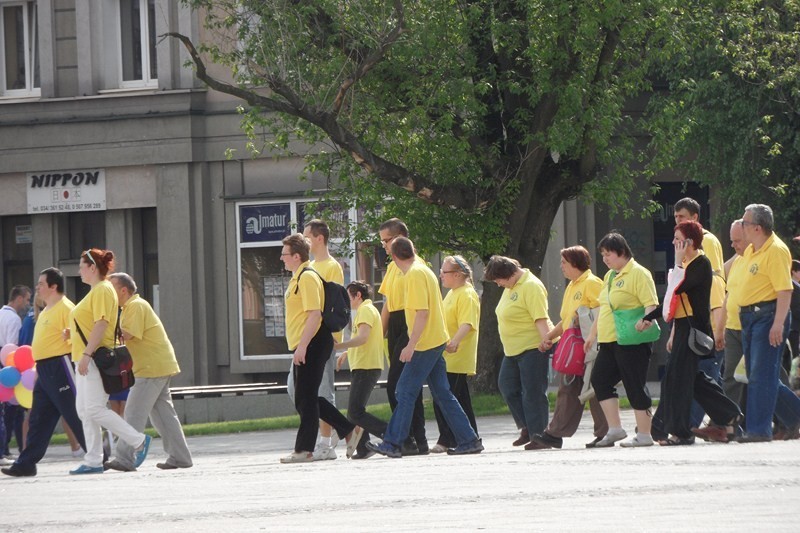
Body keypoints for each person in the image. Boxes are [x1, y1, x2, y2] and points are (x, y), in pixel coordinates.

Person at [366, 238, 482, 458]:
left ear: (393, 255)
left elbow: (422, 313)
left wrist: (411, 345)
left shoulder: (415, 274)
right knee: (442, 393)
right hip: (434, 339)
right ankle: (469, 440)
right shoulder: (423, 270)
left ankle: (393, 443)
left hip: (425, 343)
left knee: (404, 390)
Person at [279, 234, 362, 463]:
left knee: (305, 398)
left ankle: (304, 450)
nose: (281, 258)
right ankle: (348, 429)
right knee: (304, 397)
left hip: (314, 342)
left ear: (296, 256)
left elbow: (314, 315)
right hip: (307, 342)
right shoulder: (297, 277)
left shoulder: (307, 277)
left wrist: (302, 347)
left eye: (284, 254)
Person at [68, 249, 151, 474]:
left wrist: (86, 355)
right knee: (84, 410)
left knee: (93, 409)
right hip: (86, 357)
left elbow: (102, 323)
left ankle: (138, 441)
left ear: (92, 268)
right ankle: (94, 460)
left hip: (94, 358)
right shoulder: (96, 291)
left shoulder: (103, 290)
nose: (79, 270)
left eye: (81, 266)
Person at [658, 221, 741, 445]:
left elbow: (676, 290)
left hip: (694, 329)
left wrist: (676, 265)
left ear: (690, 242)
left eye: (678, 239)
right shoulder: (686, 264)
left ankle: (682, 432)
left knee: (681, 379)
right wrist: (650, 318)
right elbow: (672, 302)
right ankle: (729, 413)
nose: (674, 243)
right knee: (691, 379)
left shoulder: (700, 263)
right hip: (683, 327)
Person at [104, 273, 193, 471]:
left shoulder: (135, 306)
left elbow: (126, 335)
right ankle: (180, 457)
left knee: (133, 412)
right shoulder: (132, 306)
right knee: (163, 416)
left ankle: (125, 459)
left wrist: (98, 332)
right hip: (157, 365)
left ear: (123, 290)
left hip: (150, 369)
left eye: (112, 289)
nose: (108, 293)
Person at [1, 269, 86, 477]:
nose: (37, 287)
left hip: (61, 366)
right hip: (44, 369)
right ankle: (27, 463)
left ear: (53, 286)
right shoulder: (47, 309)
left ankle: (99, 455)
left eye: (41, 283)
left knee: (74, 413)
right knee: (38, 418)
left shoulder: (67, 308)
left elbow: (78, 337)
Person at [585, 232, 659, 448]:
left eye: (609, 254)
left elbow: (651, 303)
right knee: (600, 380)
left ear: (622, 252)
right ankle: (615, 429)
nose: (606, 259)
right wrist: (592, 334)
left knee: (634, 384)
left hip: (632, 340)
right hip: (609, 339)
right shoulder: (609, 277)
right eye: (603, 255)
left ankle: (645, 434)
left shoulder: (639, 273)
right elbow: (604, 307)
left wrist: (646, 320)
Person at [734, 204, 800, 441]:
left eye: (744, 223)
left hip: (768, 315)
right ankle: (795, 415)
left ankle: (758, 430)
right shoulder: (753, 249)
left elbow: (785, 290)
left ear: (757, 228)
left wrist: (778, 324)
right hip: (751, 317)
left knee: (761, 376)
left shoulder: (777, 251)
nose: (741, 226)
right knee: (761, 375)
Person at [533, 246, 609, 450]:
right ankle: (555, 433)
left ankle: (604, 432)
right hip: (575, 345)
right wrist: (549, 336)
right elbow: (566, 320)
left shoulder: (592, 283)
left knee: (592, 389)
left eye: (564, 262)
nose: (561, 267)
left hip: (590, 345)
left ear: (575, 263)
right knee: (569, 388)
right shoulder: (572, 286)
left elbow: (602, 311)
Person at [285, 219, 344, 461]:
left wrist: (332, 338)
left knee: (321, 391)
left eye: (307, 236)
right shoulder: (302, 273)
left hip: (318, 337)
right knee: (298, 391)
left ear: (318, 238)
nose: (304, 239)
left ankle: (325, 442)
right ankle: (346, 429)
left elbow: (331, 306)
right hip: (304, 339)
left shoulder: (328, 267)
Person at [483, 255, 554, 449]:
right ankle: (527, 427)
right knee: (507, 386)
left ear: (508, 273)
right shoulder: (512, 286)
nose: (498, 284)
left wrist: (546, 340)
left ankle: (539, 435)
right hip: (513, 349)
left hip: (533, 346)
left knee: (533, 392)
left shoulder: (531, 286)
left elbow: (540, 317)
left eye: (498, 280)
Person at [377, 218, 428, 454]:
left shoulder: (416, 266)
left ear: (400, 238)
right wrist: (379, 335)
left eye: (387, 240)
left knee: (397, 386)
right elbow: (388, 304)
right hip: (396, 324)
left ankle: (406, 437)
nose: (384, 245)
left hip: (409, 324)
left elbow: (420, 308)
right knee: (406, 385)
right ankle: (417, 439)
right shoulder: (391, 268)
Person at [431, 255, 480, 453]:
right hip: (447, 356)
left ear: (458, 275)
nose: (441, 275)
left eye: (445, 272)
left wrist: (454, 342)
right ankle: (469, 436)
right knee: (458, 399)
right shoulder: (453, 292)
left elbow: (467, 323)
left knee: (447, 398)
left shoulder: (467, 294)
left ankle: (448, 438)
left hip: (457, 356)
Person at [333, 281, 387, 459]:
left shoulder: (365, 310)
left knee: (355, 412)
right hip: (363, 365)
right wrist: (347, 352)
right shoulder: (366, 310)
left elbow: (363, 338)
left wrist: (339, 346)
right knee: (354, 412)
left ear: (358, 296)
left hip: (366, 366)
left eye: (348, 296)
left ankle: (390, 434)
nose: (346, 301)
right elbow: (364, 339)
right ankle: (364, 448)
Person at [0, 285, 31, 462]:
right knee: (13, 411)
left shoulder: (1, 313)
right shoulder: (14, 319)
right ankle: (9, 449)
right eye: (26, 299)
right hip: (9, 366)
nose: (27, 303)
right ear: (18, 298)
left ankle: (6, 448)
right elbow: (12, 348)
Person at [720, 220, 748, 406]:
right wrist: (719, 329)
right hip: (732, 328)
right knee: (730, 377)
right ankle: (727, 423)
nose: (733, 245)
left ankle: (787, 419)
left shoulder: (762, 257)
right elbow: (728, 296)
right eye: (731, 240)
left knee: (767, 375)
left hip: (753, 325)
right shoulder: (737, 261)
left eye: (737, 240)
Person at [674, 197, 724, 275]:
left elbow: (713, 276)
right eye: (676, 216)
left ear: (694, 217)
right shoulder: (684, 242)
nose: (678, 220)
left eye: (681, 216)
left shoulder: (707, 240)